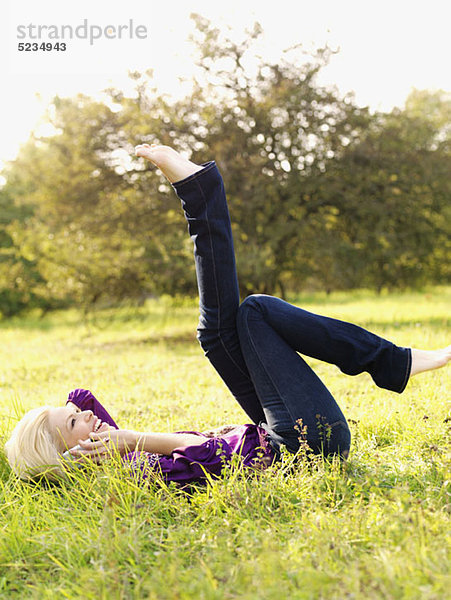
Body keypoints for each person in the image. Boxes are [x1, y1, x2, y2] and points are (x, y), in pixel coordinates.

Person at [5, 144, 450, 484]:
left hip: (275, 433)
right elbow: (208, 452)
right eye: (75, 424)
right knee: (255, 311)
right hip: (305, 445)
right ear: (71, 454)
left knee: (216, 335)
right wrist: (128, 442)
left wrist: (67, 427)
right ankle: (394, 362)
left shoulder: (111, 446)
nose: (85, 416)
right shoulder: (135, 477)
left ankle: (199, 192)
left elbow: (79, 397)